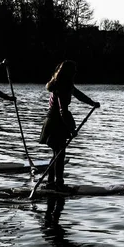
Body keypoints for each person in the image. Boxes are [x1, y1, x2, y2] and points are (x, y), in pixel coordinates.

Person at [39, 60, 100, 190]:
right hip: (56, 122)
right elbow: (62, 110)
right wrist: (71, 129)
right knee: (59, 154)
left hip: (55, 121)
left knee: (57, 154)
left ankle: (52, 183)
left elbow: (78, 95)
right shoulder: (61, 86)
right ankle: (57, 183)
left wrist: (92, 103)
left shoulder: (65, 84)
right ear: (68, 73)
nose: (75, 72)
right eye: (74, 70)